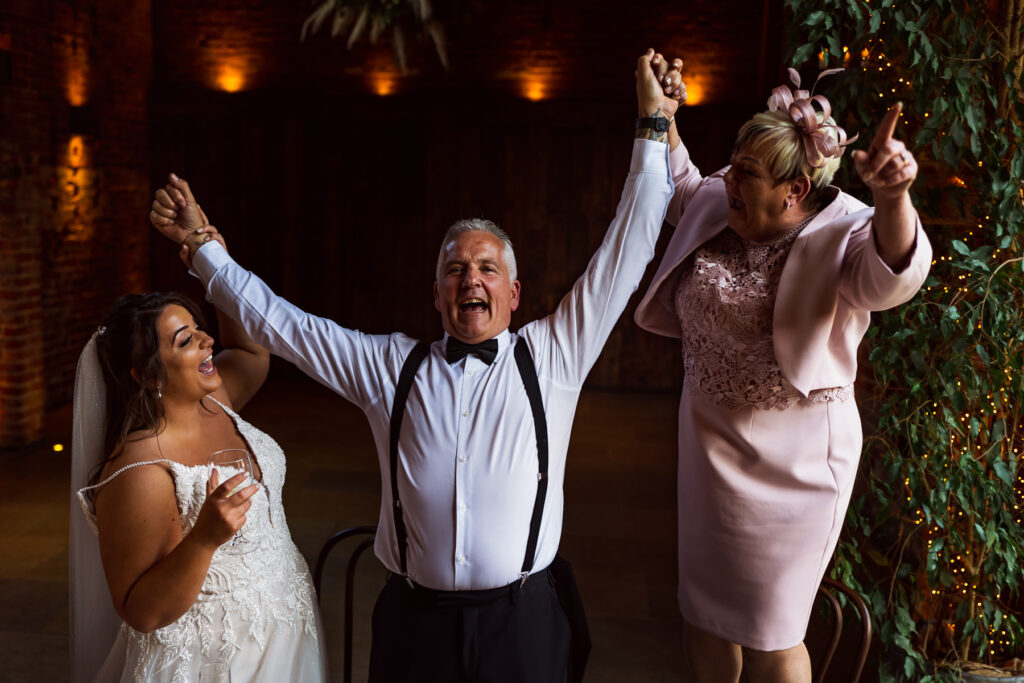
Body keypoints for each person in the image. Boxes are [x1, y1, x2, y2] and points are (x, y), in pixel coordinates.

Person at [147, 51, 677, 683]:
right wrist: (202, 249)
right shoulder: (389, 367)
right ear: (436, 295)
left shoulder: (555, 354)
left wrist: (652, 126)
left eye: (487, 269)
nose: (470, 279)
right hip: (414, 625)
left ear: (513, 294)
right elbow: (282, 324)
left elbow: (628, 243)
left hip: (525, 622)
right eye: (454, 269)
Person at [633, 60, 932, 682]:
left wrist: (893, 198)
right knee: (704, 614)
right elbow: (682, 186)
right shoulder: (724, 199)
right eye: (733, 167)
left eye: (745, 173)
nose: (728, 181)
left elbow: (891, 276)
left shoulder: (844, 230)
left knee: (773, 630)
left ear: (794, 190)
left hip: (798, 464)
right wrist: (662, 115)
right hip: (708, 443)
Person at [69, 289, 326, 683]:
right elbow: (142, 611)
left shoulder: (216, 401)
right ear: (148, 374)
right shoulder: (141, 469)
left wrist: (211, 266)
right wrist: (205, 538)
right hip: (211, 658)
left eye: (199, 329)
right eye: (186, 340)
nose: (208, 341)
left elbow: (250, 352)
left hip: (282, 629)